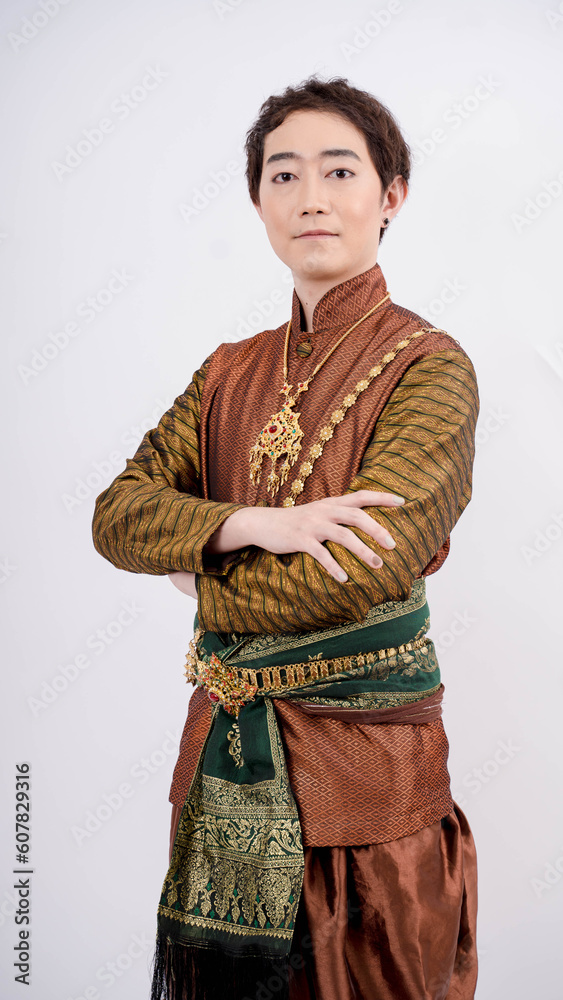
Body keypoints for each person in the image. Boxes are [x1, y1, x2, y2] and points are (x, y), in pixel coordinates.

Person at [92, 75, 480, 1000]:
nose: (311, 197)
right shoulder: (227, 371)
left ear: (390, 196)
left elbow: (354, 572)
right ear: (257, 200)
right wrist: (248, 523)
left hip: (370, 788)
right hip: (222, 771)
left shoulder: (431, 369)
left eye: (339, 171)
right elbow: (116, 515)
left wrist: (196, 578)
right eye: (283, 175)